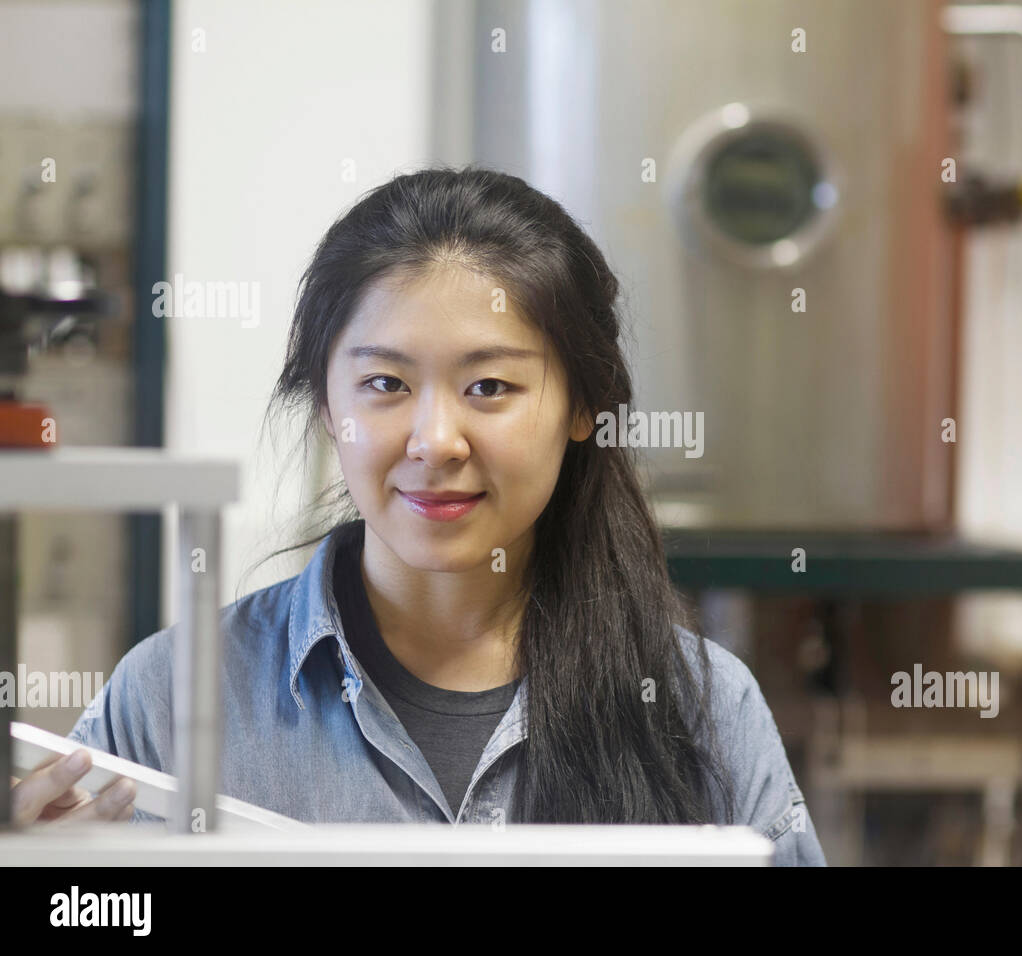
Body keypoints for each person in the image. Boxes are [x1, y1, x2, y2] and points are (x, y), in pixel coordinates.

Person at [10, 166, 827, 865]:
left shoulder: (703, 707)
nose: (435, 441)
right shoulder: (172, 697)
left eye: (490, 388)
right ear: (327, 407)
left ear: (585, 406)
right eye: (386, 385)